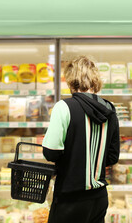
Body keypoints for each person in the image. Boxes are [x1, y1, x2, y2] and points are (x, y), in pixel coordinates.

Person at [42, 56, 120, 223]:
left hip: (70, 198)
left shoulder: (64, 107)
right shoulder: (110, 109)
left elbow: (51, 152)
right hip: (98, 198)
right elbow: (113, 157)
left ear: (70, 80)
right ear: (95, 79)